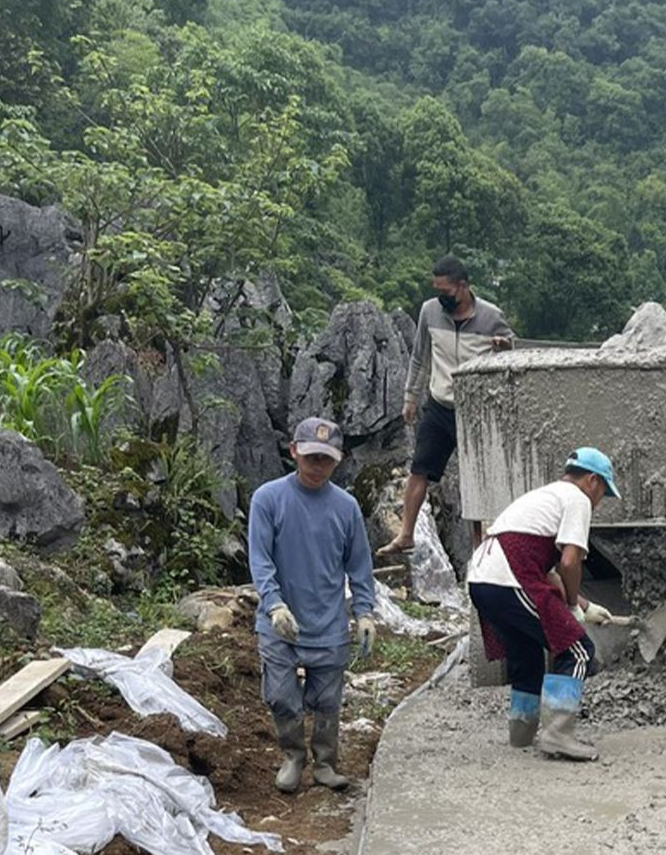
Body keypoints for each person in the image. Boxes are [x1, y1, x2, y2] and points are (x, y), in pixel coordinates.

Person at [248, 416, 377, 793]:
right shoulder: (268, 499)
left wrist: (365, 612)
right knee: (281, 695)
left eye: (326, 459)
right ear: (293, 452)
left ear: (338, 460)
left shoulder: (346, 507)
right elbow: (260, 560)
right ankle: (292, 755)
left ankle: (325, 762)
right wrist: (273, 605)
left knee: (326, 700)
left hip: (328, 622)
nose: (318, 466)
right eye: (310, 457)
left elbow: (359, 565)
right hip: (280, 619)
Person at [466, 448, 620, 761]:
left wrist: (583, 604)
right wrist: (572, 611)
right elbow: (569, 561)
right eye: (603, 491)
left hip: (483, 578)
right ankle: (558, 735)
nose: (600, 501)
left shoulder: (544, 496)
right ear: (592, 480)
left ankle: (521, 735)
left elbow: (547, 574)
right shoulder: (577, 499)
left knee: (527, 653)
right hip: (508, 578)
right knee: (577, 650)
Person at [381, 255, 514, 555]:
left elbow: (514, 358)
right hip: (439, 404)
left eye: (446, 292)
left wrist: (504, 348)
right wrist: (410, 397)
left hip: (476, 411)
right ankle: (406, 534)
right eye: (437, 291)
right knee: (420, 469)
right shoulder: (430, 311)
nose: (441, 298)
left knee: (476, 479)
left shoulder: (491, 317)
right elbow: (419, 356)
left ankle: (480, 548)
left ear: (463, 286)